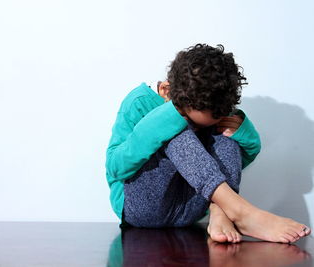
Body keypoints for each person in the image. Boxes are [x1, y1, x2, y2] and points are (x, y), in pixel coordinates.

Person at [105, 43, 311, 243]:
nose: (197, 129)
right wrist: (168, 118)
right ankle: (239, 211)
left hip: (192, 208)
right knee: (174, 129)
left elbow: (245, 155)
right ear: (168, 91)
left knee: (226, 133)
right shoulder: (139, 102)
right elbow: (116, 167)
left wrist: (242, 130)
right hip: (144, 208)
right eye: (193, 121)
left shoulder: (214, 107)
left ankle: (222, 211)